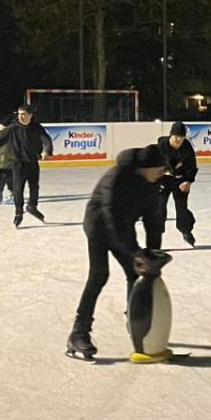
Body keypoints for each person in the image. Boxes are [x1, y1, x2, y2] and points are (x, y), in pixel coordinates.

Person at [67, 144, 167, 361]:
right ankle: (78, 333)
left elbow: (154, 222)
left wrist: (152, 253)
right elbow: (111, 217)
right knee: (99, 276)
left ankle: (135, 321)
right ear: (145, 167)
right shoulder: (118, 176)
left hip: (122, 227)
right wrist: (134, 252)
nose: (162, 173)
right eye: (159, 169)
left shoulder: (152, 184)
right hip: (98, 226)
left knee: (136, 273)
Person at [0, 105, 54, 227]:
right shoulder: (13, 128)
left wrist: (46, 150)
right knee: (18, 189)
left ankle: (32, 206)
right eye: (19, 114)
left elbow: (46, 139)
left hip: (32, 162)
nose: (20, 116)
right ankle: (18, 212)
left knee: (34, 186)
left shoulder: (36, 127)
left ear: (30, 115)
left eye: (23, 114)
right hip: (17, 163)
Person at [155, 121, 198, 248]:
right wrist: (157, 181)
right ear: (171, 135)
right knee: (159, 208)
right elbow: (153, 165)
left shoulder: (187, 146)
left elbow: (192, 166)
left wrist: (188, 181)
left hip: (180, 180)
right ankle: (156, 237)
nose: (179, 139)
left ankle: (186, 232)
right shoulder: (162, 146)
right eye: (176, 136)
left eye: (181, 136)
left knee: (182, 208)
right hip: (163, 180)